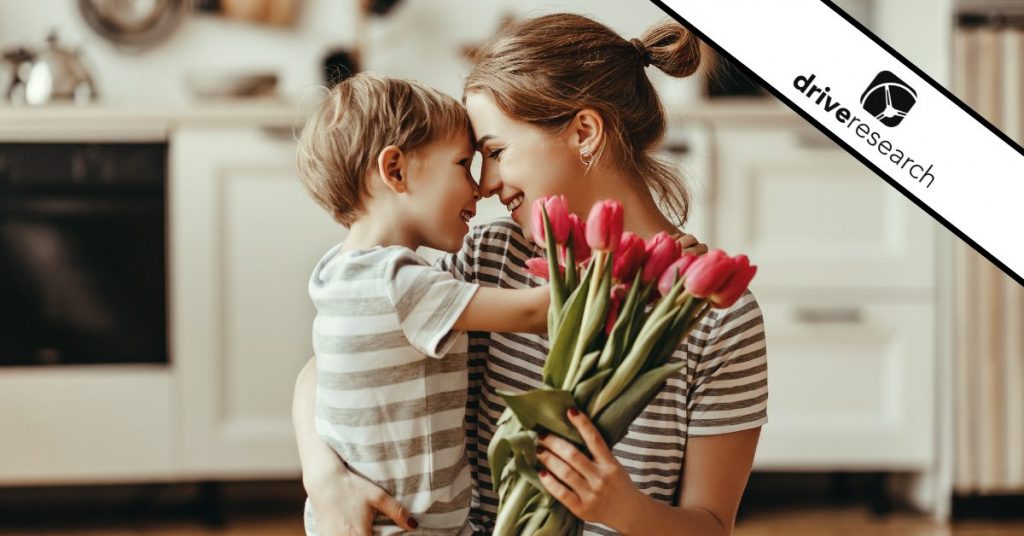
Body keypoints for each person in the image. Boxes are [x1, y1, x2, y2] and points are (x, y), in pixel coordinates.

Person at [294, 14, 768, 536]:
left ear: (584, 133)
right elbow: (337, 361)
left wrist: (619, 507)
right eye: (473, 162)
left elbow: (710, 526)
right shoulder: (491, 257)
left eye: (495, 152)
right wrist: (324, 479)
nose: (487, 185)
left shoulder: (717, 315)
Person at [295, 73, 550, 535]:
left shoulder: (336, 271)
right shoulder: (400, 283)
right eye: (463, 164)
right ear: (395, 170)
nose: (478, 189)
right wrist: (642, 264)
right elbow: (535, 313)